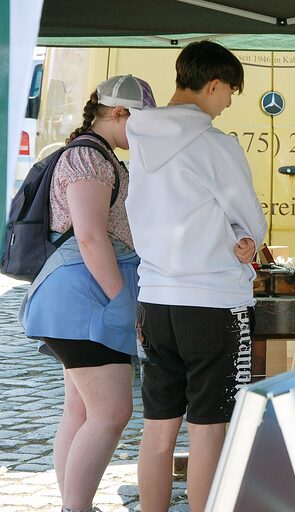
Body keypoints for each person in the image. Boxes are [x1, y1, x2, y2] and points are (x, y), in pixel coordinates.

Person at [124, 41, 267, 512]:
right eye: (230, 92)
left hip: (155, 299)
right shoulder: (215, 144)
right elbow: (249, 218)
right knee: (210, 429)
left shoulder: (140, 137)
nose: (228, 102)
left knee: (159, 429)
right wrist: (246, 238)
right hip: (213, 301)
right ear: (213, 84)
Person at [20, 75, 156, 512]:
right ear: (119, 114)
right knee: (112, 412)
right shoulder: (89, 160)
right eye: (140, 121)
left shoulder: (95, 155)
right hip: (86, 299)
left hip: (76, 300)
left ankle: (75, 506)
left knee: (80, 412)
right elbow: (91, 237)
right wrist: (122, 301)